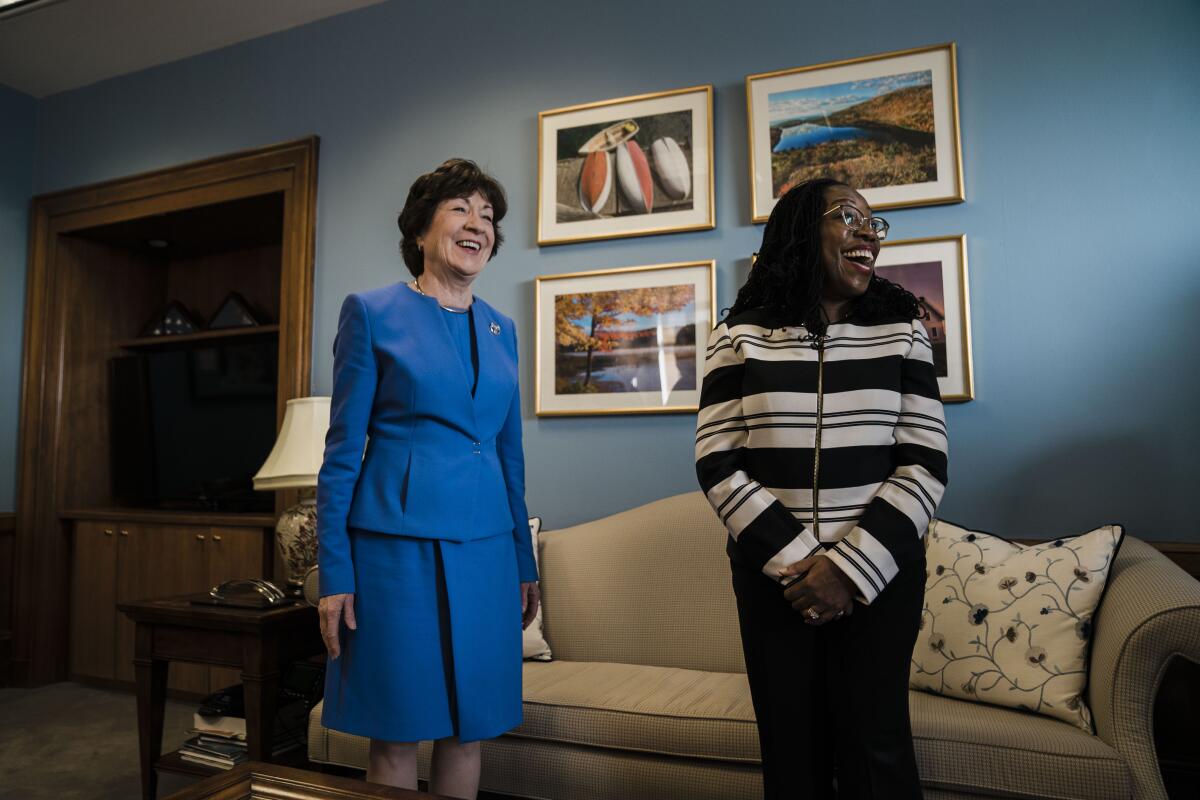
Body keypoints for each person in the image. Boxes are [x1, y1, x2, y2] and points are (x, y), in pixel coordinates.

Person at [694, 178, 948, 799]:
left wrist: (849, 570)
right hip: (773, 581)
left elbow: (925, 462)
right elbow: (717, 461)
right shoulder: (739, 336)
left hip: (881, 580)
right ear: (804, 230)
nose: (869, 233)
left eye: (874, 225)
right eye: (849, 217)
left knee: (877, 751)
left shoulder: (904, 331)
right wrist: (800, 566)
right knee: (791, 753)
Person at [316, 158, 539, 799]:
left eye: (488, 216)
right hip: (394, 554)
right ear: (420, 230)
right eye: (461, 210)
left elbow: (508, 454)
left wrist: (524, 562)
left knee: (467, 730)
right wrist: (336, 572)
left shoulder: (503, 329)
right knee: (397, 731)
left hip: (487, 553)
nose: (478, 225)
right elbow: (341, 454)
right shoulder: (372, 312)